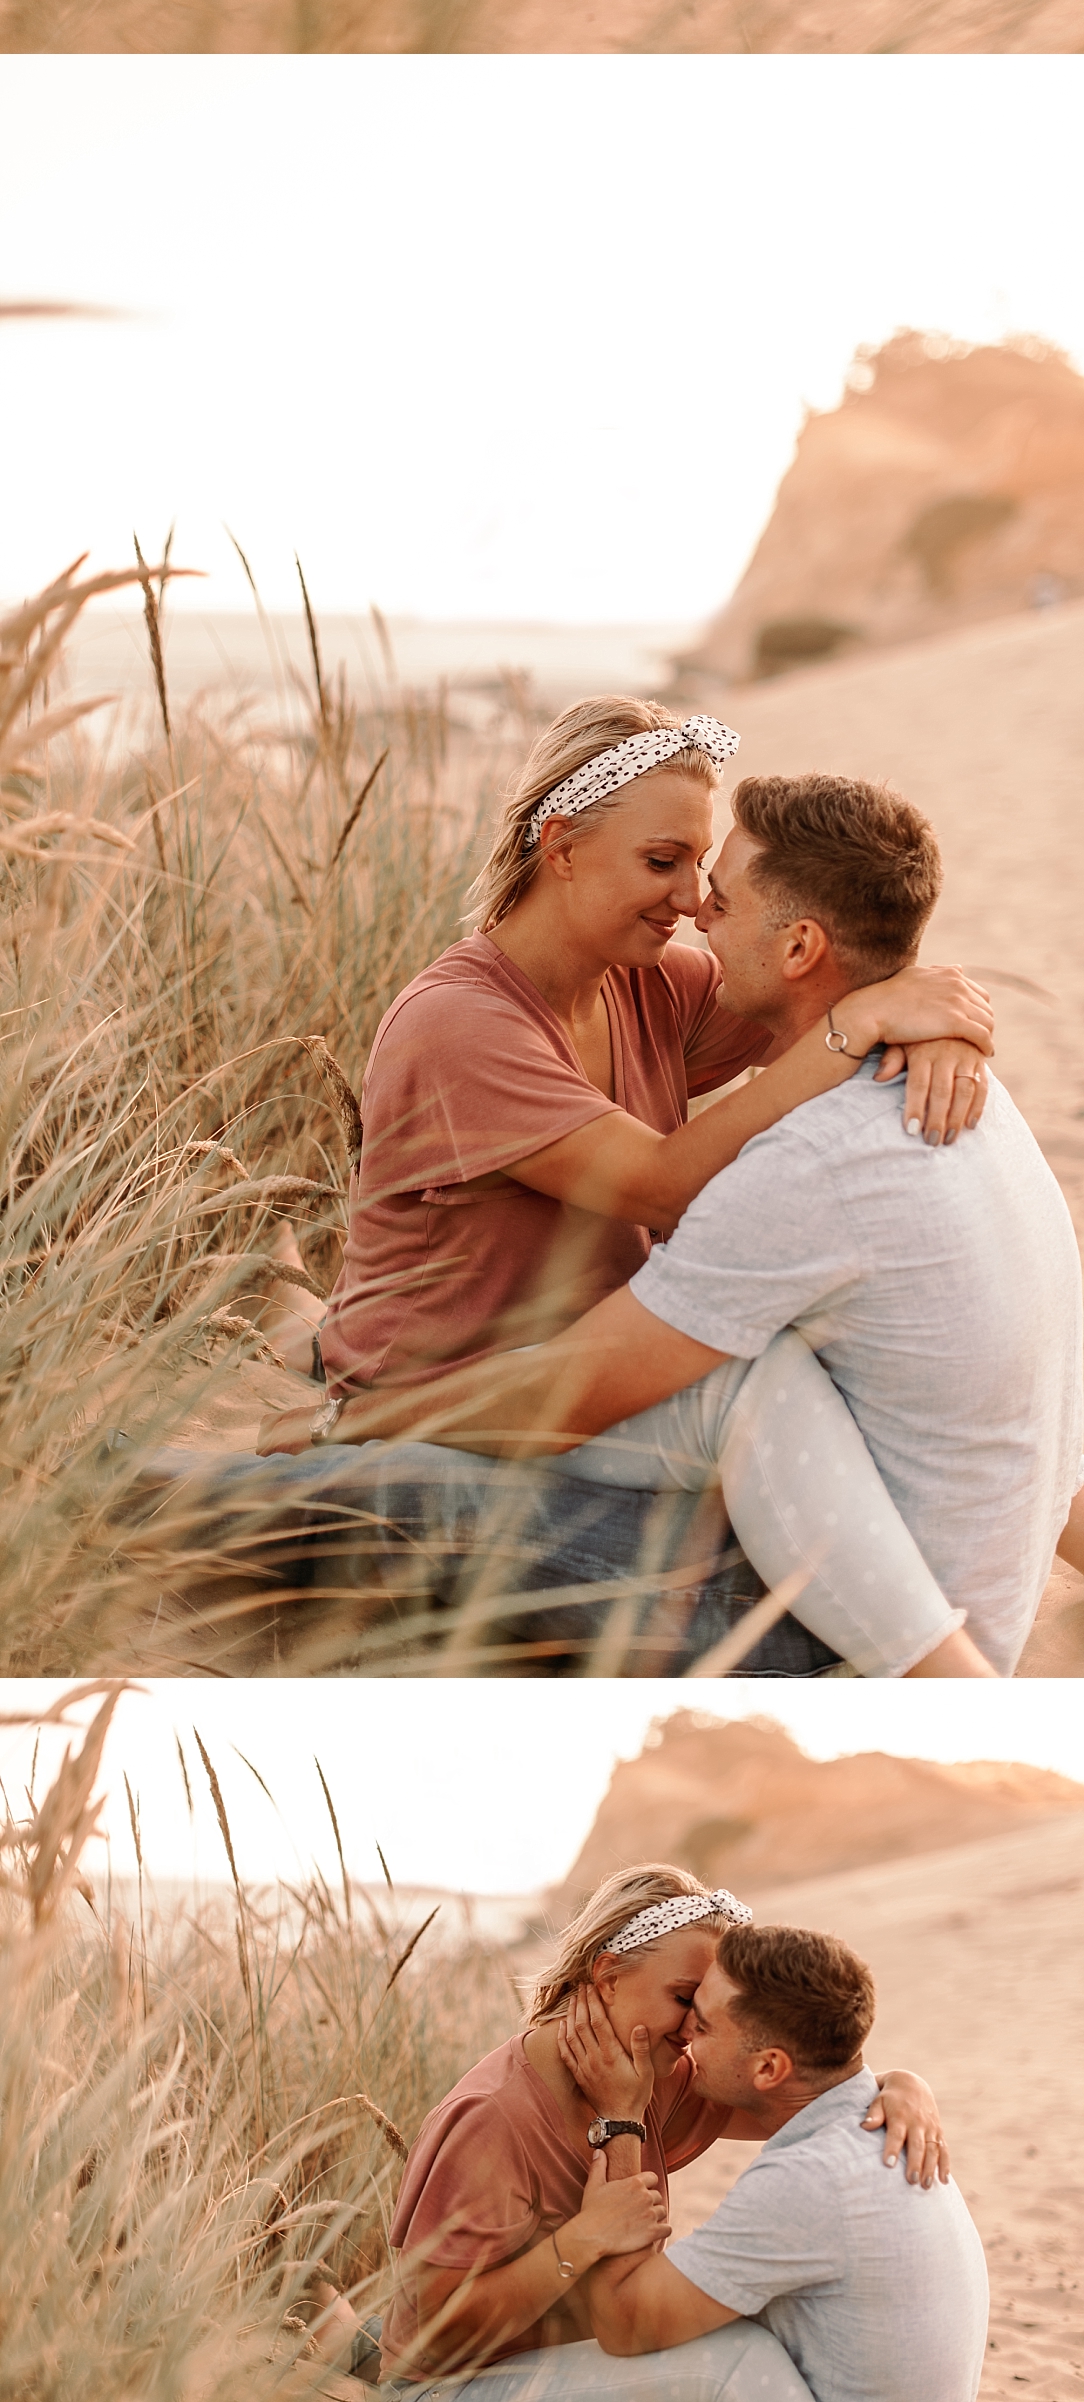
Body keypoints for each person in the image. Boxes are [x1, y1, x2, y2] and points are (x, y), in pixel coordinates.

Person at [256, 708, 999, 1679]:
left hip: (586, 1381)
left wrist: (928, 1018)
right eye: (662, 862)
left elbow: (808, 988)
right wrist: (858, 1025)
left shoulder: (645, 984)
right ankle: (310, 1339)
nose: (693, 899)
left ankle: (295, 1311)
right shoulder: (461, 1025)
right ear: (561, 849)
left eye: (699, 865)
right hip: (462, 1404)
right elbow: (655, 1174)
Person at [312, 1867, 948, 2394]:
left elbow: (791, 2092)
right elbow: (434, 2329)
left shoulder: (660, 2079)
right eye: (683, 1996)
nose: (697, 2024)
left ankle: (345, 2333)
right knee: (742, 2368)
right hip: (453, 2384)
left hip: (566, 2366)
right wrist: (581, 2242)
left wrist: (897, 2083)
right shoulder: (494, 2115)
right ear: (609, 1976)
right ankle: (350, 2344)